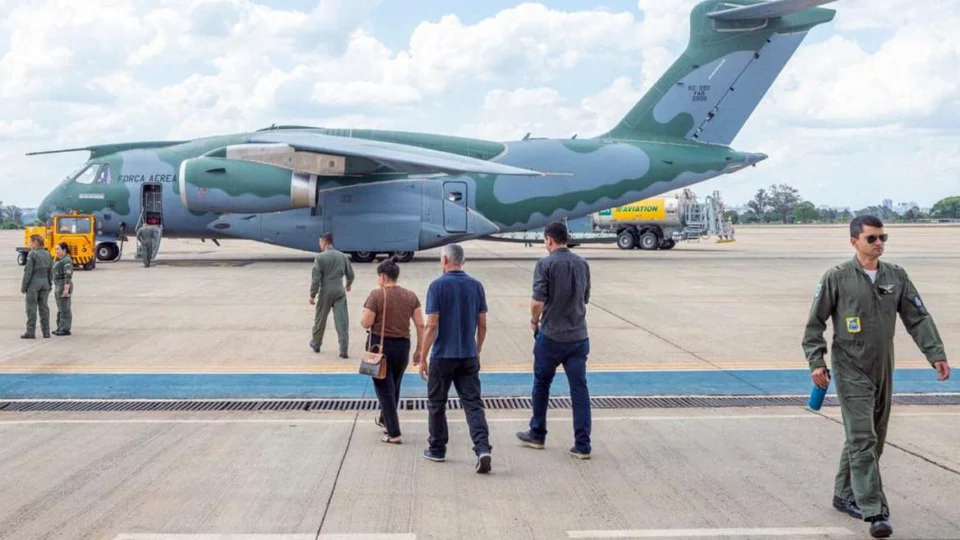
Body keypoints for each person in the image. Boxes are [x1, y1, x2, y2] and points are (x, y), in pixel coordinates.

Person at [803, 215, 950, 540]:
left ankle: (844, 494)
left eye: (883, 237)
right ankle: (874, 511)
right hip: (849, 367)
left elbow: (918, 317)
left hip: (883, 366)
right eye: (872, 238)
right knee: (862, 439)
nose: (879, 243)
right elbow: (815, 324)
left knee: (872, 436)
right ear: (854, 241)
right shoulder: (837, 277)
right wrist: (817, 360)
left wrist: (935, 354)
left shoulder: (896, 276)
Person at [516, 221, 593, 459]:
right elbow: (586, 297)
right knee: (579, 390)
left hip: (551, 336)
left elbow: (537, 301)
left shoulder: (544, 265)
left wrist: (533, 321)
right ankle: (582, 445)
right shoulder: (582, 264)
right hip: (578, 335)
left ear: (549, 240)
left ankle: (537, 433)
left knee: (541, 384)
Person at [419, 243, 493, 474]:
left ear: (444, 261)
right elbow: (482, 324)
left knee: (437, 404)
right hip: (468, 354)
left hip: (443, 355)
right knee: (473, 404)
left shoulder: (437, 286)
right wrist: (477, 349)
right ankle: (482, 448)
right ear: (462, 261)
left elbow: (431, 325)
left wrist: (422, 356)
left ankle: (437, 449)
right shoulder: (476, 286)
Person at [360, 256, 425, 444]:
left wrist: (364, 319)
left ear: (382, 276)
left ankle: (393, 432)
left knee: (384, 390)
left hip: (381, 349)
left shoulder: (376, 295)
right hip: (403, 347)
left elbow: (366, 322)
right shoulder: (411, 295)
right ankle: (384, 419)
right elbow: (421, 324)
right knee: (394, 386)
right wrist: (419, 349)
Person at [309, 233, 355, 358]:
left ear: (324, 243)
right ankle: (343, 349)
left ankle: (316, 343)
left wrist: (312, 295)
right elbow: (350, 274)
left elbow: (316, 279)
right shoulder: (342, 256)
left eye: (320, 242)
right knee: (342, 321)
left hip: (326, 291)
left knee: (321, 318)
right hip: (339, 290)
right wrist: (348, 284)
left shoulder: (320, 258)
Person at [21, 234, 53, 339]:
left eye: (31, 242)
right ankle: (46, 332)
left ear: (36, 243)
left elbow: (28, 272)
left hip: (34, 284)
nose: (30, 244)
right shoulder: (47, 254)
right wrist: (49, 283)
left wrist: (24, 286)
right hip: (45, 283)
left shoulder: (32, 254)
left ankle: (30, 331)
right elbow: (50, 271)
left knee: (31, 308)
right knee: (44, 308)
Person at [52, 242, 74, 336]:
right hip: (58, 284)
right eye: (56, 249)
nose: (56, 251)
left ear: (64, 250)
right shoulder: (60, 260)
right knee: (60, 307)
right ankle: (60, 326)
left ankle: (65, 328)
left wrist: (66, 289)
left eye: (58, 249)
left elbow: (68, 276)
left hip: (63, 284)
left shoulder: (66, 261)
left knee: (65, 308)